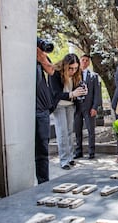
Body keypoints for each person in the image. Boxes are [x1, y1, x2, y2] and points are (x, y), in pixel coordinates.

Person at [50, 53, 87, 170]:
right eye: (71, 68)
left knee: (70, 132)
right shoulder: (55, 73)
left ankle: (70, 157)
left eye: (76, 68)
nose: (73, 71)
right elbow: (56, 93)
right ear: (65, 66)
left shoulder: (77, 73)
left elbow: (78, 87)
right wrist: (72, 94)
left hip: (71, 105)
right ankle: (64, 160)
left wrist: (83, 90)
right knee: (62, 132)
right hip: (59, 105)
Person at [73, 54, 102, 160]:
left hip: (89, 107)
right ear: (80, 61)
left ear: (89, 62)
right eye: (83, 60)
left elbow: (97, 93)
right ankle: (78, 151)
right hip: (77, 107)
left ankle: (91, 152)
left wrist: (95, 107)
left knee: (91, 130)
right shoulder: (74, 75)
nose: (84, 62)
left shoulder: (94, 76)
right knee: (77, 130)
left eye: (86, 60)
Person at [35, 45, 54, 184]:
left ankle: (44, 183)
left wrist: (41, 57)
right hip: (24, 108)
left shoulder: (40, 56)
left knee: (42, 149)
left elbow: (51, 70)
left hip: (42, 108)